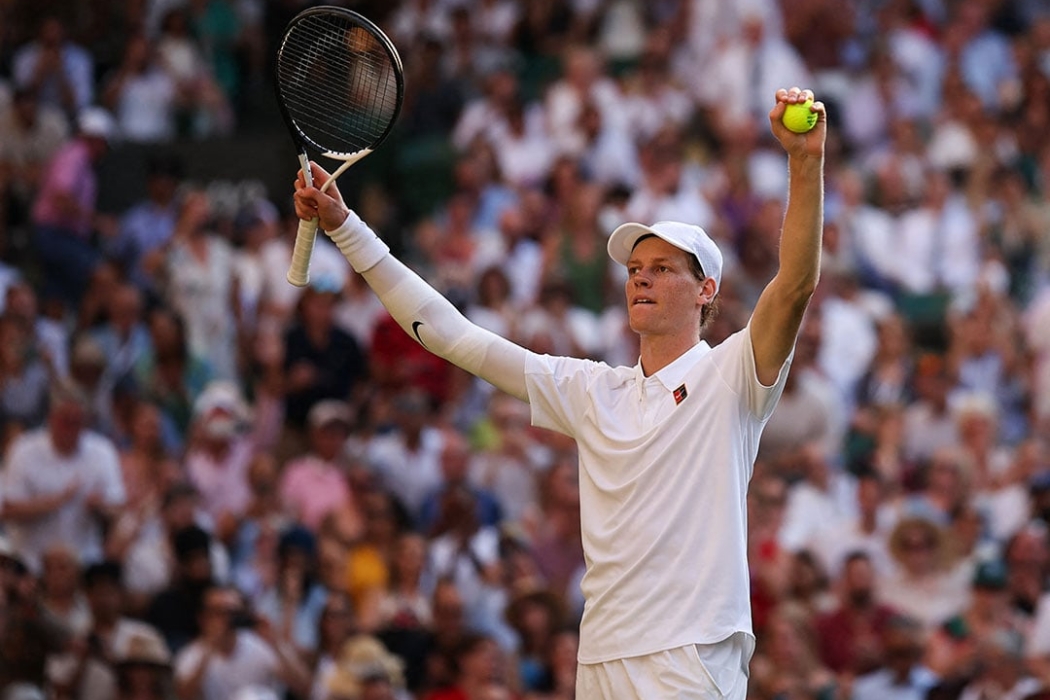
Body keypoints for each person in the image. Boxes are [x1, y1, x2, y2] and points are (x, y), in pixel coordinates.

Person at [294, 87, 826, 699]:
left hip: (690, 657)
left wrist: (804, 162)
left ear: (705, 290)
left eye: (661, 268)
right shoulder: (592, 390)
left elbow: (794, 285)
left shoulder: (734, 373)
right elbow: (452, 336)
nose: (641, 278)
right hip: (600, 659)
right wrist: (346, 226)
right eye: (634, 270)